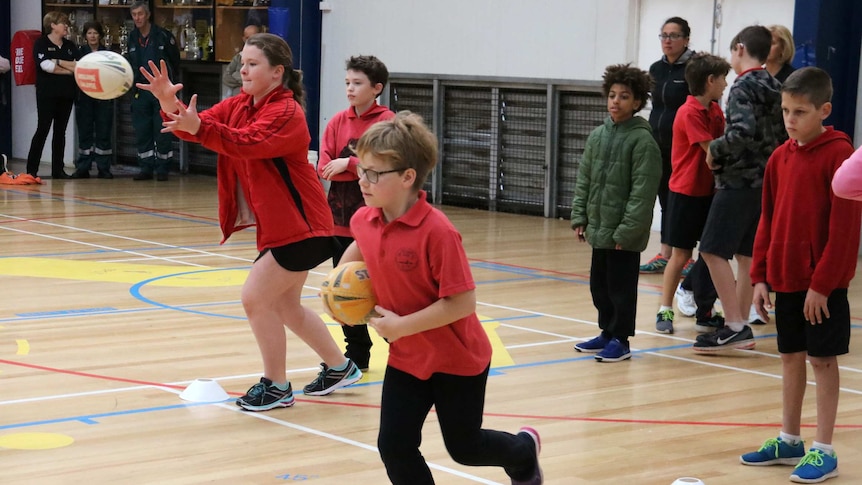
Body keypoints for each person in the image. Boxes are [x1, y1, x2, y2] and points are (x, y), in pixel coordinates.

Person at [137, 33, 362, 412]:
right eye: (242, 62)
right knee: (287, 306)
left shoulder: (287, 113)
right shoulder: (241, 104)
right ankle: (340, 367)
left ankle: (276, 386)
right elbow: (194, 125)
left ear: (277, 73)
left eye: (252, 63)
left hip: (304, 226)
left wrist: (198, 127)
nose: (243, 68)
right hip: (283, 227)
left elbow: (245, 142)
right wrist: (166, 100)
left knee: (255, 298)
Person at [337, 111, 542, 485]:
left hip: (457, 359)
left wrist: (400, 326)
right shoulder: (364, 219)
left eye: (373, 173)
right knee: (394, 445)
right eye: (360, 170)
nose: (362, 180)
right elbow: (361, 248)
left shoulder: (438, 233)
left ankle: (523, 451)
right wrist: (338, 291)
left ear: (407, 177)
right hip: (406, 357)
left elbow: (462, 303)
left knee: (465, 447)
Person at [742, 67, 860, 484]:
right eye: (786, 111)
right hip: (786, 280)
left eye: (801, 112)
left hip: (822, 288)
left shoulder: (840, 156)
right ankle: (788, 438)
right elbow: (767, 221)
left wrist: (823, 284)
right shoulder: (779, 157)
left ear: (824, 110)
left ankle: (823, 449)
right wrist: (760, 276)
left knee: (821, 361)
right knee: (790, 357)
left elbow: (845, 234)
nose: (790, 120)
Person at [693, 25, 786, 352]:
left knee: (711, 249)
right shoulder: (775, 85)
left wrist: (714, 151)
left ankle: (733, 324)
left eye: (733, 52)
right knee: (747, 255)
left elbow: (742, 132)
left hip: (738, 181)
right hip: (765, 183)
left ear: (741, 49)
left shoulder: (743, 86)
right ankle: (741, 326)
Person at [571, 64, 661, 362]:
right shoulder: (598, 136)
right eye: (612, 95)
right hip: (600, 228)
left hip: (623, 233)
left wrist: (628, 230)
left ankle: (621, 340)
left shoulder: (642, 141)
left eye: (624, 96)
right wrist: (580, 216)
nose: (616, 101)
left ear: (637, 102)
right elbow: (585, 179)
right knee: (600, 286)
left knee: (621, 289)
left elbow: (643, 192)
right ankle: (606, 332)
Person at [318, 54, 395, 372]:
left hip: (375, 223)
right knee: (345, 289)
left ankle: (404, 344)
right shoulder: (337, 121)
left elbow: (385, 162)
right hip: (339, 220)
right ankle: (357, 354)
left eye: (357, 83)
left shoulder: (387, 121)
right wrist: (333, 167)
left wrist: (349, 164)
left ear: (376, 88)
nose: (350, 89)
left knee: (386, 291)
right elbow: (324, 163)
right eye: (347, 82)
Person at [655, 52, 729, 335]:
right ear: (710, 80)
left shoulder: (715, 110)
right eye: (722, 78)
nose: (725, 84)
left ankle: (705, 310)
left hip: (710, 192)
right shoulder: (689, 113)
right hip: (685, 193)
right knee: (681, 254)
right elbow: (712, 152)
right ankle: (665, 309)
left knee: (710, 253)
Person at [640, 17, 695, 275]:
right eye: (663, 35)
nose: (667, 41)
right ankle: (666, 254)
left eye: (673, 36)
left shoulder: (694, 69)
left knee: (681, 201)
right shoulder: (655, 69)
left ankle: (687, 255)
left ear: (686, 39)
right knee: (664, 198)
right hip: (658, 144)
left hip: (683, 148)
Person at [127, 0, 180, 181]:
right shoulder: (131, 37)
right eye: (134, 15)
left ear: (148, 15)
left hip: (161, 92)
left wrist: (171, 88)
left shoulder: (163, 36)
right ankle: (146, 168)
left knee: (162, 129)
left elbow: (175, 62)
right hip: (140, 90)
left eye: (140, 14)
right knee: (142, 129)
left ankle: (163, 168)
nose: (137, 18)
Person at [25, 11, 79, 180]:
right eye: (63, 23)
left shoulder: (70, 46)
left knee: (60, 132)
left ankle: (58, 169)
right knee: (43, 129)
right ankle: (31, 170)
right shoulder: (41, 43)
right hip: (47, 94)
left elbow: (78, 66)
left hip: (67, 94)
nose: (66, 27)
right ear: (53, 25)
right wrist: (67, 69)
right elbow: (47, 66)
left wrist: (58, 61)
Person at [71, 21, 114, 179]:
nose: (93, 36)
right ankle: (83, 167)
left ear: (100, 35)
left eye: (95, 33)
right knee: (84, 133)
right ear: (85, 36)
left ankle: (104, 168)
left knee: (104, 132)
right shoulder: (79, 53)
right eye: (89, 33)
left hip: (104, 98)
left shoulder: (108, 54)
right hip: (84, 98)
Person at [222, 23, 261, 97]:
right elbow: (226, 77)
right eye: (247, 38)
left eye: (253, 37)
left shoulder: (264, 57)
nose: (250, 40)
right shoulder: (238, 57)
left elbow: (259, 80)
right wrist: (244, 81)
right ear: (243, 39)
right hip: (236, 96)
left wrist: (236, 75)